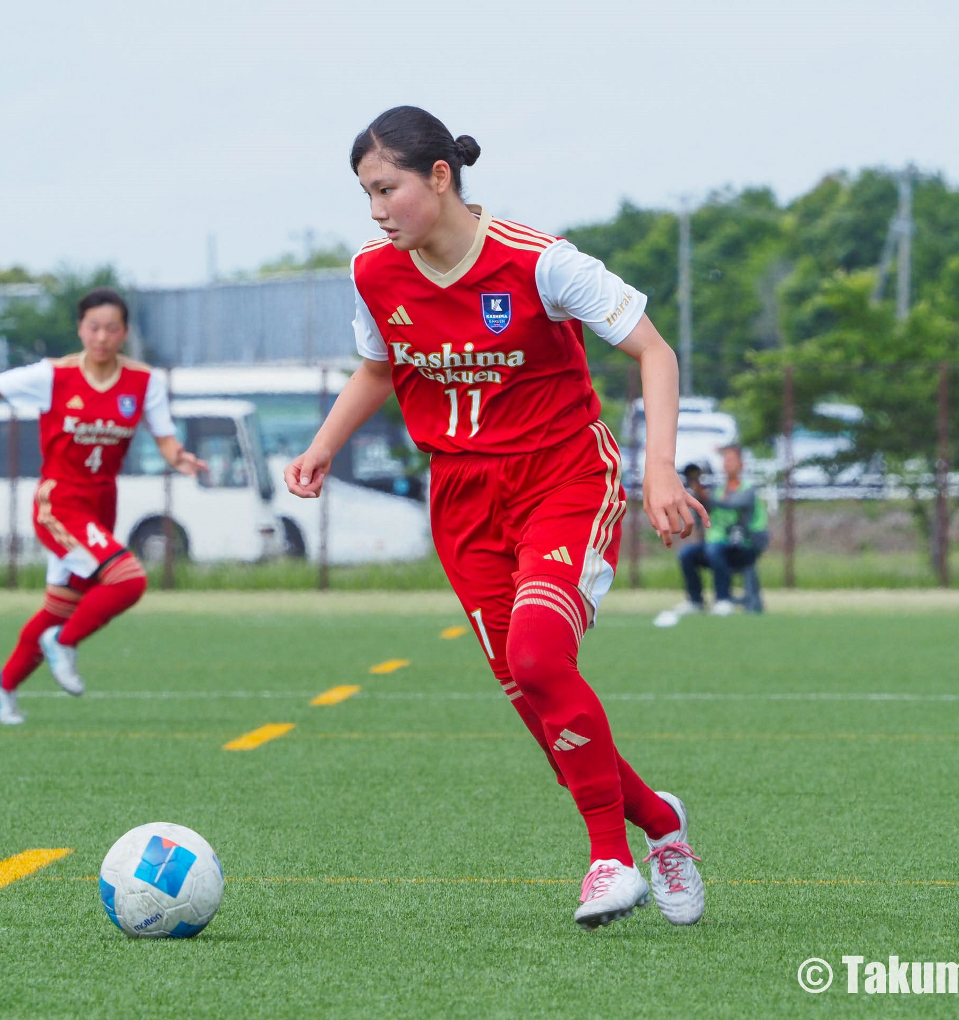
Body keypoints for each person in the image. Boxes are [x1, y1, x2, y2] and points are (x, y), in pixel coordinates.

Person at [285, 106, 709, 929]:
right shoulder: (376, 271)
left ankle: (608, 860)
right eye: (365, 194)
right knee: (534, 698)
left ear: (439, 177)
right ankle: (661, 825)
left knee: (542, 655)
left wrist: (659, 468)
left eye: (387, 189)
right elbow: (379, 368)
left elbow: (655, 350)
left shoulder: (540, 263)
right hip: (463, 495)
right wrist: (323, 445)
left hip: (564, 475)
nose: (375, 210)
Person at [0, 288, 207, 724]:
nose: (102, 336)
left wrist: (181, 458)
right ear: (80, 329)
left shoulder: (144, 382)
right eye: (93, 327)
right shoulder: (54, 375)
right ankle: (63, 644)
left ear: (124, 332)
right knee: (128, 579)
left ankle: (3, 685)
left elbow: (165, 441)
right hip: (59, 502)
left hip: (102, 504)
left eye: (112, 328)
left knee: (58, 607)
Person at [663, 445, 768, 621]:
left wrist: (705, 496)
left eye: (731, 460)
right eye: (725, 460)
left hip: (743, 546)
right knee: (687, 554)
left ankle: (723, 599)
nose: (727, 464)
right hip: (718, 545)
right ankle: (695, 600)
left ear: (741, 464)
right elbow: (705, 510)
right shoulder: (719, 489)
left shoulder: (748, 489)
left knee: (714, 550)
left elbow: (732, 504)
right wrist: (696, 490)